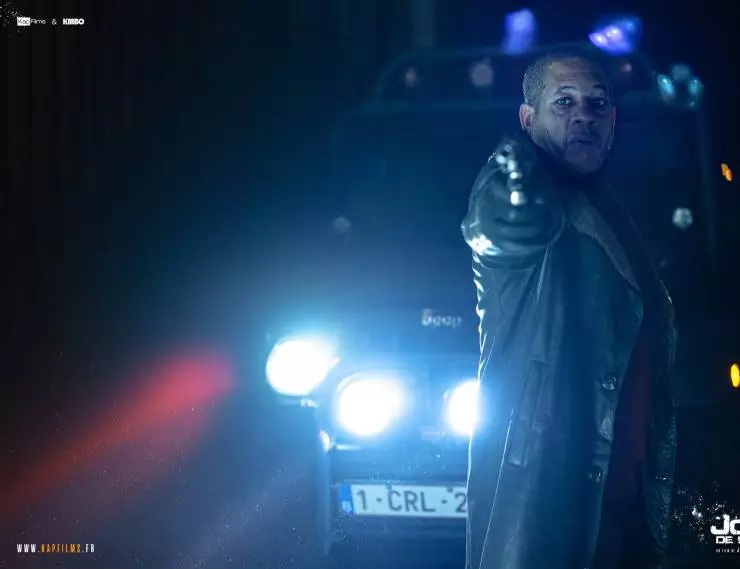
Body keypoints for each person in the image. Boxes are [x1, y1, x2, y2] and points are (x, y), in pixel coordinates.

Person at [461, 47, 678, 569]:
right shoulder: (523, 190)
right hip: (554, 506)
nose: (583, 115)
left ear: (612, 119)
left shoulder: (609, 203)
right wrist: (516, 192)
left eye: (596, 103)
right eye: (564, 102)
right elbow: (502, 228)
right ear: (528, 119)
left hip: (620, 509)